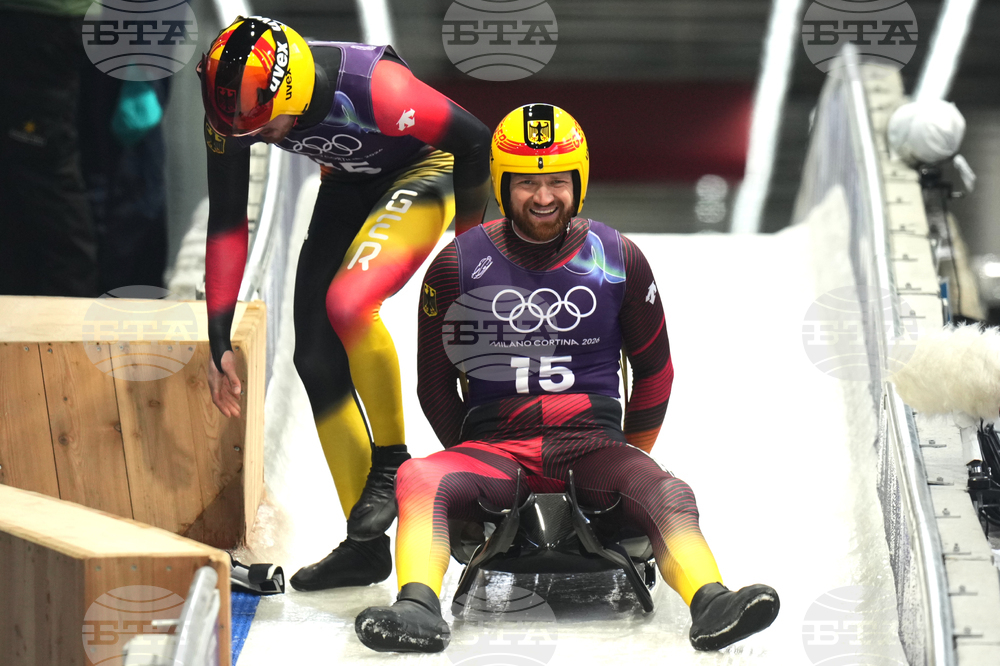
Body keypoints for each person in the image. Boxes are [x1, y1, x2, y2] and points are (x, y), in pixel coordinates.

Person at [354, 104, 779, 653]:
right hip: (495, 451)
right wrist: (469, 461)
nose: (543, 197)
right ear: (502, 186)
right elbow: (434, 386)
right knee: (418, 477)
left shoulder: (619, 258)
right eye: (526, 183)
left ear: (578, 183)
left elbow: (655, 372)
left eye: (557, 181)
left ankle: (712, 601)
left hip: (594, 449)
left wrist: (630, 455)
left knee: (666, 489)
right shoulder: (456, 265)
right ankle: (416, 608)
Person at [198, 16, 491, 590]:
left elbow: (475, 139)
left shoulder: (378, 89)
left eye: (265, 127)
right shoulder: (232, 105)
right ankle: (364, 548)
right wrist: (218, 339)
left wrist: (469, 261)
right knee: (314, 357)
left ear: (292, 96)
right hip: (347, 182)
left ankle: (392, 461)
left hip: (426, 168)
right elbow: (228, 222)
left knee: (350, 303)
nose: (256, 138)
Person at [0, 0, 99, 297]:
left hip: (38, 22)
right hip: (43, 22)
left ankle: (69, 312)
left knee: (44, 172)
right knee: (27, 176)